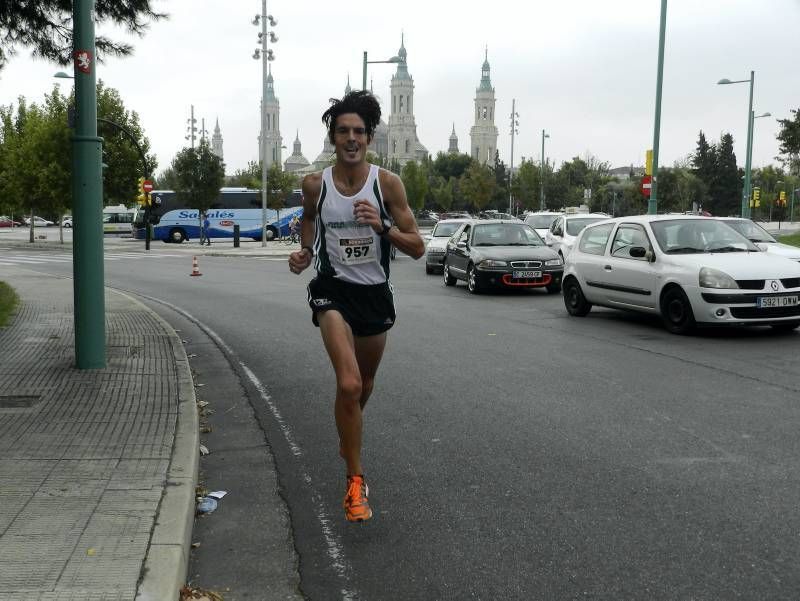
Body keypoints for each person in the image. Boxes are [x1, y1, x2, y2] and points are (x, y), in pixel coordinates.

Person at [288, 90, 424, 522]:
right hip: (333, 290)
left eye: (358, 132)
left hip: (374, 293)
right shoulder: (315, 183)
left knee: (363, 386)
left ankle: (348, 430)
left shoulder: (387, 184)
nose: (351, 139)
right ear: (332, 137)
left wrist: (382, 226)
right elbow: (309, 218)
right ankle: (355, 481)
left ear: (369, 139)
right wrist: (305, 251)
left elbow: (418, 247)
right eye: (343, 131)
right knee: (347, 384)